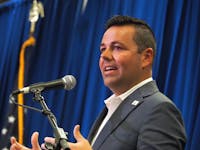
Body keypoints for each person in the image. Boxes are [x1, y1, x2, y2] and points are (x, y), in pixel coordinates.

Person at [10, 15, 187, 150]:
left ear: (146, 57)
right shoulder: (111, 109)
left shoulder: (160, 110)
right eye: (103, 49)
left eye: (117, 48)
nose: (105, 55)